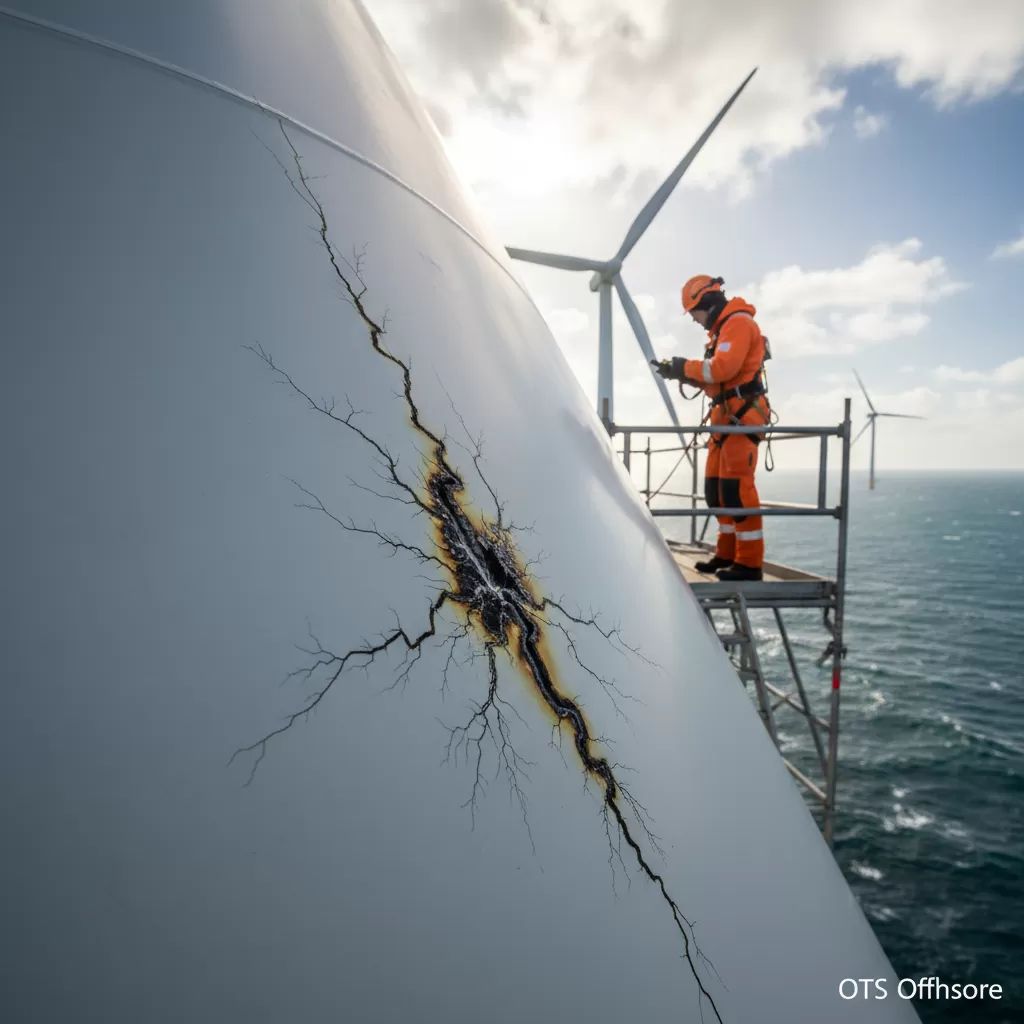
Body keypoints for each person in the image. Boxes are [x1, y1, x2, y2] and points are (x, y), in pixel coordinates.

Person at [654, 275, 770, 582]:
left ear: (706, 303)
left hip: (742, 419)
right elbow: (717, 379)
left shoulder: (739, 324)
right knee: (717, 492)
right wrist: (680, 373)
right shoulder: (722, 331)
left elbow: (723, 368)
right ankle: (726, 554)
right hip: (725, 419)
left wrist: (685, 367)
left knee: (737, 490)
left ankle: (749, 563)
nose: (694, 320)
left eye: (694, 313)